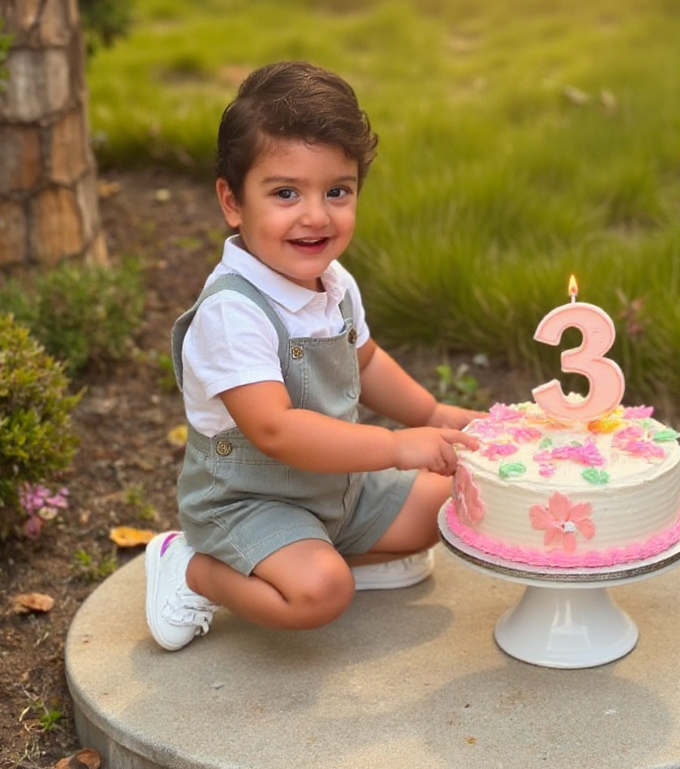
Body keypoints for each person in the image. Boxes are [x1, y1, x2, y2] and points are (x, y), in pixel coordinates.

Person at [144, 60, 481, 651]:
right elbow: (274, 429)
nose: (315, 215)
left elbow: (367, 361)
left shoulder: (334, 283)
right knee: (320, 593)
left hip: (335, 490)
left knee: (458, 502)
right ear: (232, 200)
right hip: (248, 502)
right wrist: (398, 447)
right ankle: (193, 566)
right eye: (284, 193)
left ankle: (331, 547)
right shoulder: (234, 312)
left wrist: (431, 415)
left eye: (337, 191)